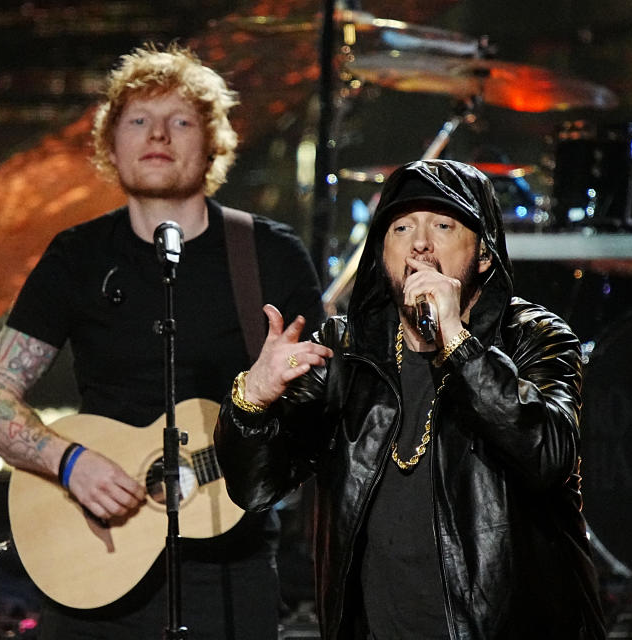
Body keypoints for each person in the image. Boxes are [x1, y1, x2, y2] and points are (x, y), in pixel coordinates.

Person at [0, 43, 324, 639]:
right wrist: (69, 460)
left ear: (213, 143)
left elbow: (321, 408)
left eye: (181, 120)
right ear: (111, 146)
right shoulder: (76, 257)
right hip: (92, 559)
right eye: (138, 120)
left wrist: (270, 400)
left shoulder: (268, 256)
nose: (158, 133)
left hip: (229, 573)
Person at [215, 159, 607, 639]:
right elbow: (256, 489)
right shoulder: (346, 351)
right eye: (401, 228)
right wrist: (252, 399)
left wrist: (460, 344)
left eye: (443, 225)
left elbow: (547, 454)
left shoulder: (534, 338)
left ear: (484, 253)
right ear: (382, 254)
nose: (420, 243)